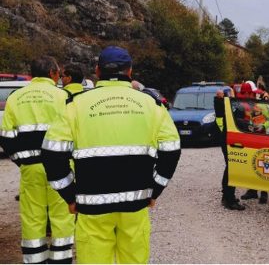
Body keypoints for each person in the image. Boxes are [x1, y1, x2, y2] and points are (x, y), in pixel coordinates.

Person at [41, 46, 181, 263]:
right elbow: (171, 149)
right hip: (136, 205)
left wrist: (69, 195)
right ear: (130, 71)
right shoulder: (151, 105)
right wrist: (155, 191)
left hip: (91, 207)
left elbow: (52, 153)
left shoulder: (76, 105)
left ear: (97, 71)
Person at [0, 56, 75, 263]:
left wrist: (22, 161)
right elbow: (74, 132)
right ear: (52, 72)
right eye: (59, 73)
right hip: (60, 167)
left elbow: (6, 136)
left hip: (30, 169)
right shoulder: (63, 96)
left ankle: (35, 260)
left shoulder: (16, 97)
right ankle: (60, 259)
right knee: (61, 216)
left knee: (33, 217)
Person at [237, 81, 269, 204]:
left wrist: (263, 126)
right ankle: (252, 191)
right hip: (249, 138)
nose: (253, 96)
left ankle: (264, 193)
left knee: (262, 165)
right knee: (251, 165)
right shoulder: (241, 105)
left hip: (261, 138)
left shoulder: (260, 106)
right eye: (252, 94)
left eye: (253, 94)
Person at [215, 88, 245, 210]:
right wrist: (231, 98)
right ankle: (229, 199)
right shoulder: (226, 105)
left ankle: (226, 196)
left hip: (228, 139)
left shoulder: (224, 104)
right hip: (229, 140)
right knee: (231, 168)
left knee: (230, 167)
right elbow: (239, 114)